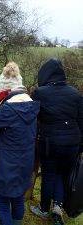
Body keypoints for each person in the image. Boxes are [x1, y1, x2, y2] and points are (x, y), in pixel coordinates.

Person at [0, 62, 40, 225]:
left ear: (4, 91)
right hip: (25, 163)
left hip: (6, 166)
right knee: (18, 197)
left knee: (2, 202)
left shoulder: (7, 110)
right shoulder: (31, 106)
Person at [30, 58, 83, 225]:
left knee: (49, 175)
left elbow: (33, 119)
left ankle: (44, 209)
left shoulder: (40, 93)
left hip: (50, 143)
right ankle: (58, 207)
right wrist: (80, 146)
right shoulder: (75, 93)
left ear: (45, 74)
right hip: (72, 144)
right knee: (62, 174)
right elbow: (81, 121)